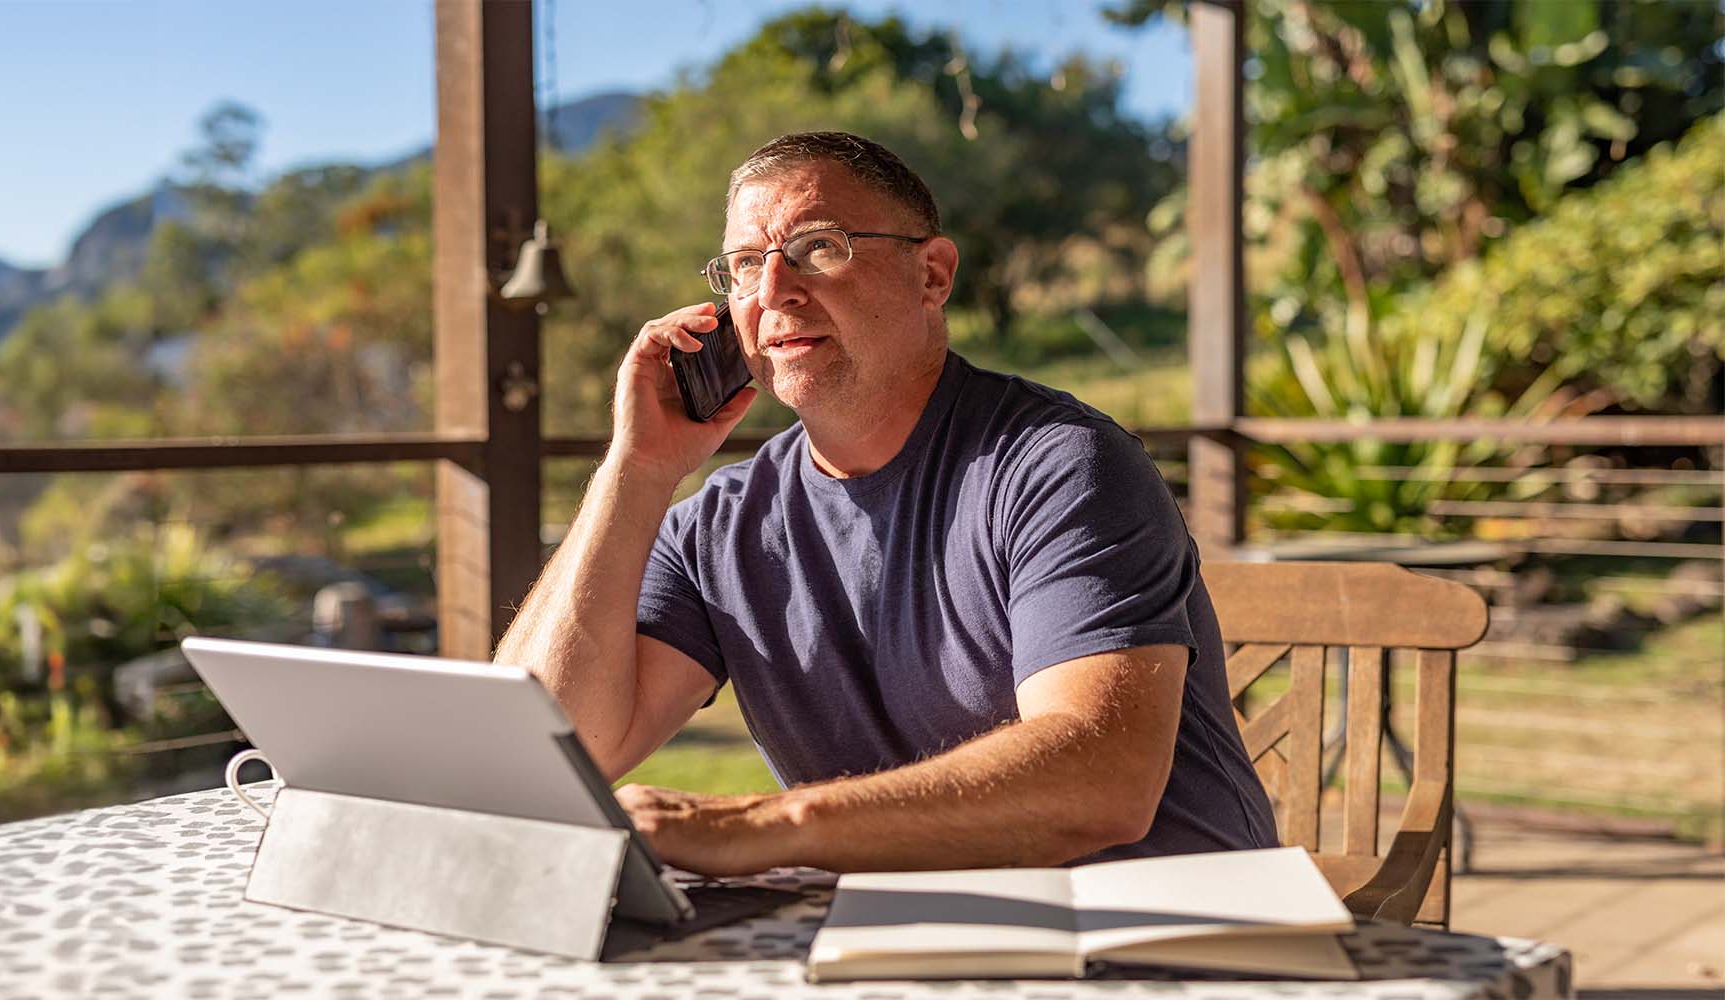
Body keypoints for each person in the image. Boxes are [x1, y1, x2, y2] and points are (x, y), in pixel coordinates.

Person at [499, 130, 1275, 876]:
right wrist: (633, 470)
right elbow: (545, 751)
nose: (773, 292)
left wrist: (769, 825)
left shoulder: (1058, 466)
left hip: (1163, 934)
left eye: (819, 249)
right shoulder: (721, 523)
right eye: (743, 264)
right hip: (907, 939)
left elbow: (1099, 778)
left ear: (932, 275)